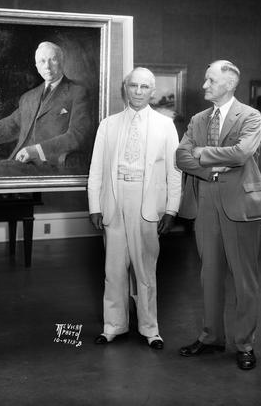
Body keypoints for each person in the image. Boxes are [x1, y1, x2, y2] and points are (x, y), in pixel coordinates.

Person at [176, 60, 261, 370]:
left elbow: (242, 153)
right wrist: (206, 166)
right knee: (209, 274)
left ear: (229, 84)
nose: (204, 85)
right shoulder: (198, 119)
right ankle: (211, 337)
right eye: (205, 80)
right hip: (205, 199)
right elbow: (180, 156)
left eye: (210, 80)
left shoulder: (250, 116)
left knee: (244, 279)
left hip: (240, 203)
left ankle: (244, 344)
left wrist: (201, 153)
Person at [87, 67, 181, 349]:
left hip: (148, 202)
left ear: (152, 92)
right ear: (124, 89)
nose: (138, 92)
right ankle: (113, 325)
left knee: (145, 270)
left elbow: (175, 172)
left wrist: (172, 210)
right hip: (114, 200)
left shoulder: (166, 126)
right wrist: (94, 205)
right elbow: (96, 170)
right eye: (133, 86)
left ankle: (150, 329)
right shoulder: (108, 124)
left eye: (144, 87)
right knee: (113, 269)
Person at [0, 41, 93, 176]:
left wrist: (37, 150)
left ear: (61, 61)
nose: (47, 66)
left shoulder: (78, 92)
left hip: (54, 166)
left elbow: (78, 136)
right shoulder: (29, 97)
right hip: (21, 163)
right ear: (36, 66)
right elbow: (12, 124)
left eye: (52, 59)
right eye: (42, 61)